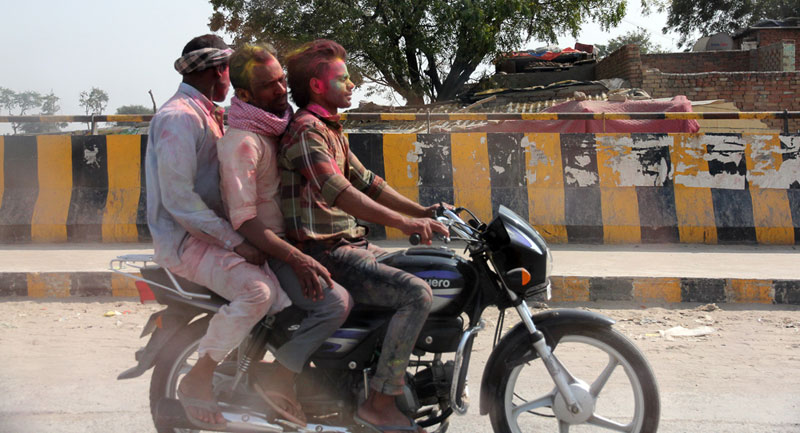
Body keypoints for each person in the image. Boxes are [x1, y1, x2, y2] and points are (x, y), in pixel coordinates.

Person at [279, 39, 450, 433]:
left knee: (428, 271)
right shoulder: (306, 130)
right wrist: (404, 224)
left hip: (351, 245)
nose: (353, 84)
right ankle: (379, 402)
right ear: (318, 86)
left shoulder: (331, 129)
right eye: (344, 78)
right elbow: (338, 190)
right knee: (415, 294)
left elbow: (369, 182)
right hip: (325, 253)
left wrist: (422, 211)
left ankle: (385, 374)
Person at [145, 34, 291, 429]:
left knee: (282, 296)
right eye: (231, 69)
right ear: (218, 71)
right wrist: (238, 242)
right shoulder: (179, 118)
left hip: (209, 237)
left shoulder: (209, 112)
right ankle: (199, 376)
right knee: (258, 293)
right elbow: (180, 201)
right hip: (186, 242)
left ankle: (249, 374)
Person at [216, 43, 352, 426]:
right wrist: (297, 257)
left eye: (280, 80)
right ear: (243, 95)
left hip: (293, 240)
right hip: (272, 247)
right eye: (268, 86)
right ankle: (282, 374)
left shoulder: (276, 127)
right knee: (334, 304)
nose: (281, 90)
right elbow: (245, 220)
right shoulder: (243, 142)